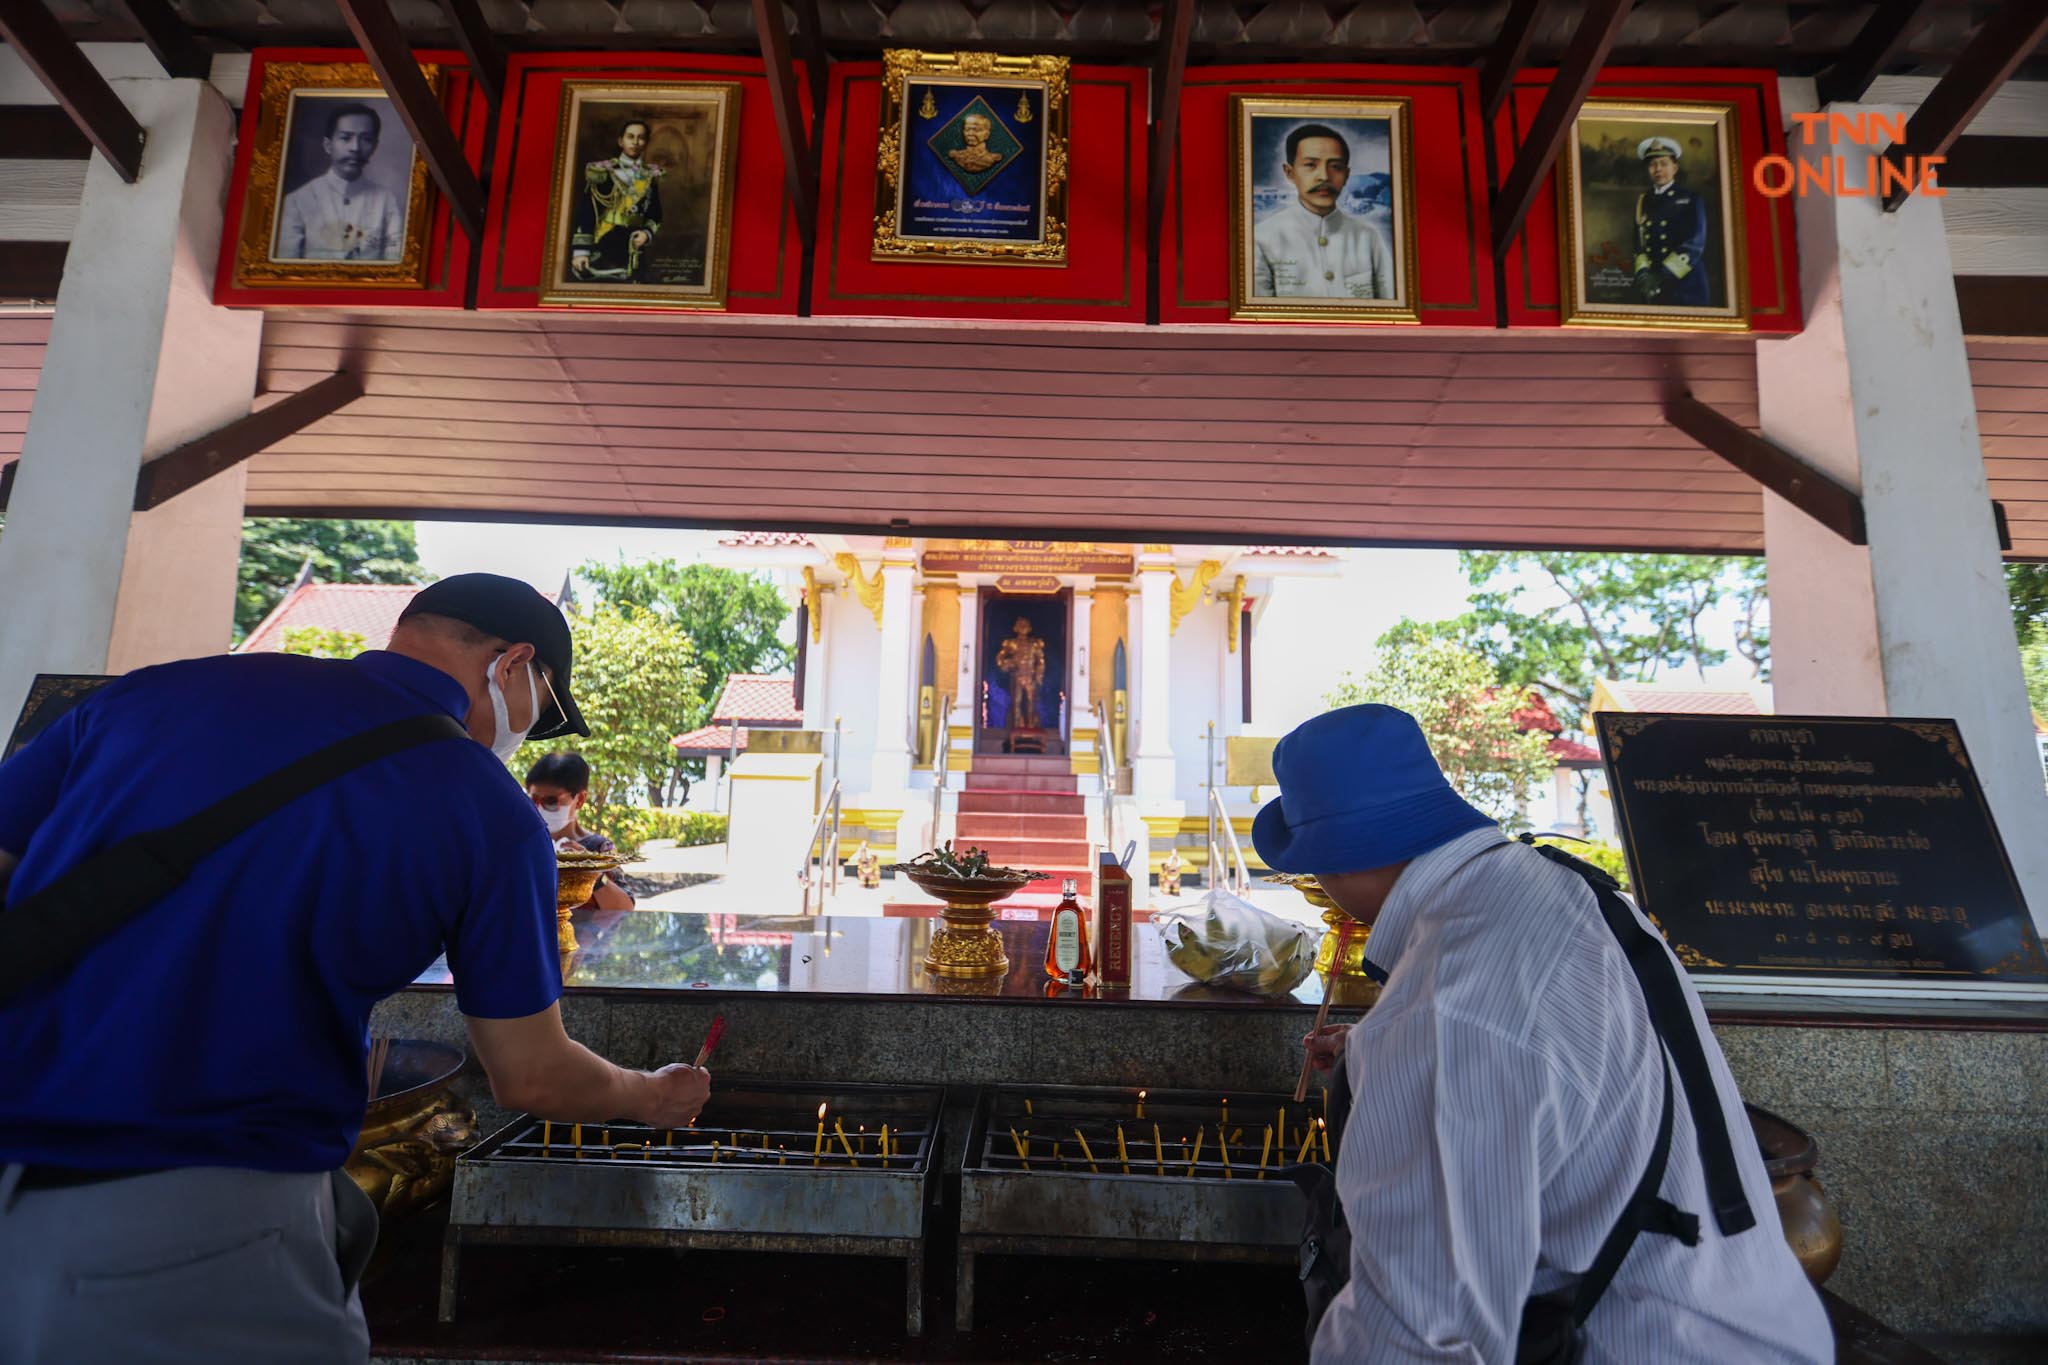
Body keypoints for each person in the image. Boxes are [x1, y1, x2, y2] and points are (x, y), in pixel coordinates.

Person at [0, 573, 710, 1363]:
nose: (522, 735)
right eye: (538, 709)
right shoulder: (481, 803)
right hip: (194, 1222)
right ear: (513, 664)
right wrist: (650, 1094)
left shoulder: (145, 695)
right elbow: (533, 1075)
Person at [1254, 705, 1832, 1364]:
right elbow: (1557, 1055)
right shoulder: (1554, 888)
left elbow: (1418, 1338)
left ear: (1335, 863)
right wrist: (1375, 1055)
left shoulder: (1446, 1003)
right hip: (1753, 1325)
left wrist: (1406, 1051)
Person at [1253, 123, 1393, 301]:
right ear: (1289, 172)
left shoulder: (1368, 236)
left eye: (1335, 166)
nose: (1325, 177)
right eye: (1311, 165)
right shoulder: (1262, 238)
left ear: (1347, 175)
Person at [276, 101, 405, 262]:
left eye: (366, 139)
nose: (355, 148)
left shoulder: (386, 201)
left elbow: (396, 262)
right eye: (345, 138)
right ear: (328, 145)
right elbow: (285, 264)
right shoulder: (298, 200)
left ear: (374, 146)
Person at [525, 751, 634, 911]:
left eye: (551, 801)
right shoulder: (524, 844)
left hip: (583, 935)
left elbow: (625, 908)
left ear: (580, 799)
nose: (540, 808)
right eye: (534, 800)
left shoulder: (600, 849)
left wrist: (589, 871)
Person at [571, 116, 664, 283]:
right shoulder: (602, 171)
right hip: (605, 241)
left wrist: (646, 233)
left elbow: (655, 213)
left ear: (646, 142)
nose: (635, 142)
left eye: (641, 137)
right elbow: (587, 211)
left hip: (635, 247)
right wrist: (581, 251)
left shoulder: (650, 174)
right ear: (621, 141)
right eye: (630, 137)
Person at [1632, 136, 1710, 307]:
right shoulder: (1643, 201)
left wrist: (1661, 276)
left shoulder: (1690, 199)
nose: (1658, 169)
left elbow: (1694, 245)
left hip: (1685, 285)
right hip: (1651, 287)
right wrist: (1644, 275)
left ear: (1675, 167)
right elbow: (1639, 245)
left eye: (1664, 163)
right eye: (1652, 165)